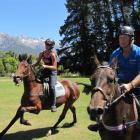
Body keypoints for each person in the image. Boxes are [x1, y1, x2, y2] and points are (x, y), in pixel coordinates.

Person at [88, 25, 140, 131]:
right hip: (119, 85)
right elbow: (111, 70)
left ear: (132, 39)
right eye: (120, 37)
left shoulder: (139, 53)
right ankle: (100, 123)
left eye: (125, 38)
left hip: (137, 87)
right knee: (105, 100)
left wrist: (130, 85)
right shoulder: (115, 53)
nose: (122, 40)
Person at [33, 38, 57, 112]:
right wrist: (31, 65)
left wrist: (46, 66)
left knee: (52, 87)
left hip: (52, 72)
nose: (47, 45)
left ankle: (53, 105)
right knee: (36, 81)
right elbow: (37, 63)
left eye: (48, 44)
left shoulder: (52, 55)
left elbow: (55, 67)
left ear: (51, 46)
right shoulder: (42, 53)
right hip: (45, 71)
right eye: (46, 44)